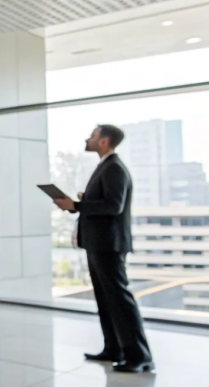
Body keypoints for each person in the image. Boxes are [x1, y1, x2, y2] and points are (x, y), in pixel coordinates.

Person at [52, 124, 154, 373]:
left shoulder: (114, 168)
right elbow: (106, 203)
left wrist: (76, 205)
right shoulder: (106, 166)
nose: (88, 138)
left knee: (119, 301)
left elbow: (113, 206)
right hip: (99, 244)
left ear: (104, 141)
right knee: (106, 300)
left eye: (93, 135)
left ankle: (139, 356)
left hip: (109, 245)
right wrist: (83, 202)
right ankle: (114, 349)